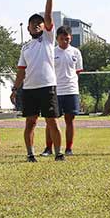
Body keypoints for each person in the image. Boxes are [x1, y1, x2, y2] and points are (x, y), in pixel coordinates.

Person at [11, 0, 64, 162]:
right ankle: (30, 153)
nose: (36, 25)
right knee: (30, 122)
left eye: (39, 23)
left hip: (48, 86)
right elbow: (21, 71)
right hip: (30, 90)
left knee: (52, 121)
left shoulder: (49, 38)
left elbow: (48, 16)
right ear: (28, 27)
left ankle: (59, 153)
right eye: (33, 23)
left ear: (44, 27)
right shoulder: (25, 48)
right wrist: (15, 89)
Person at [41, 26, 83, 156]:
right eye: (61, 39)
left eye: (67, 39)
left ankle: (69, 148)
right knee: (51, 121)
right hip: (55, 91)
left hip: (71, 90)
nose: (64, 41)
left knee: (70, 120)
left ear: (70, 38)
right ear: (57, 39)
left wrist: (72, 84)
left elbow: (78, 72)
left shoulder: (76, 52)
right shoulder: (52, 52)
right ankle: (48, 148)